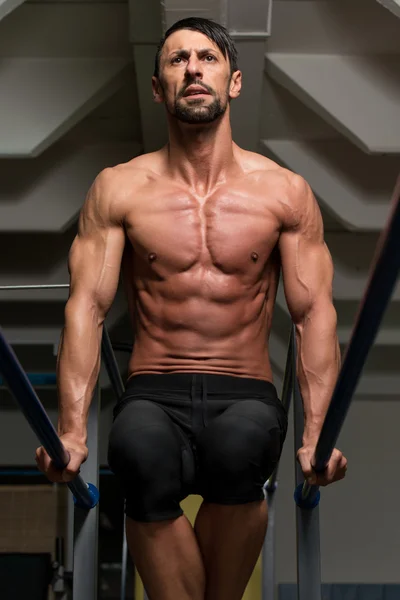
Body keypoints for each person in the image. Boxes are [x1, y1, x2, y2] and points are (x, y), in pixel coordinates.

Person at [36, 16, 347, 600]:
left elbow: (313, 315)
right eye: (177, 60)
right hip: (155, 387)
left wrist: (316, 437)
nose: (193, 69)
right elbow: (86, 309)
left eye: (206, 57)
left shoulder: (284, 191)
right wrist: (72, 435)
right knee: (135, 451)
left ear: (234, 82)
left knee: (241, 451)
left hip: (245, 388)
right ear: (158, 87)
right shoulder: (119, 188)